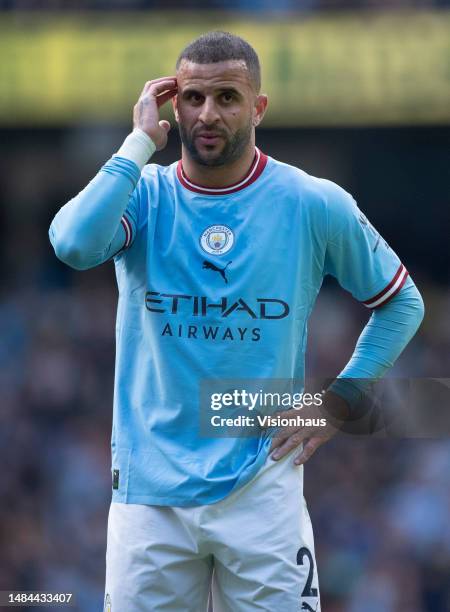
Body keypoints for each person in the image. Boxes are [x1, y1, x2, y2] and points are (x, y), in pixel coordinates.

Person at [49, 31, 424, 612]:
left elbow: (403, 302)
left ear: (259, 107)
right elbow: (73, 245)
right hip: (150, 498)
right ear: (173, 104)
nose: (208, 113)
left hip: (262, 486)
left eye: (228, 97)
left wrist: (343, 397)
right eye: (193, 97)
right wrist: (135, 145)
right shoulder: (143, 196)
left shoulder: (311, 202)